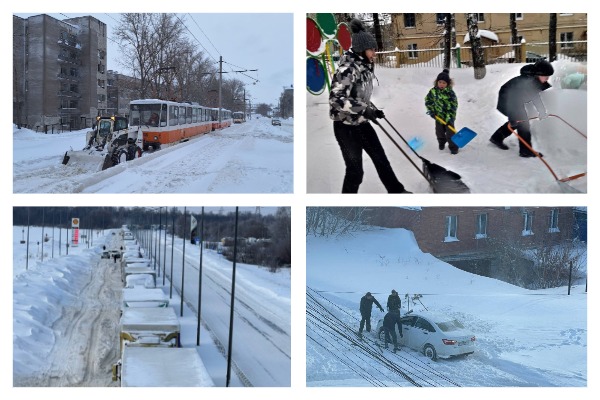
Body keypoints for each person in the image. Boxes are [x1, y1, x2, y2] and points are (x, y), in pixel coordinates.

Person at [329, 18, 410, 194]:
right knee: (355, 172)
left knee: (381, 160)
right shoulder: (348, 69)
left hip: (361, 123)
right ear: (361, 49)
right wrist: (363, 109)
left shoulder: (364, 67)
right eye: (372, 49)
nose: (375, 52)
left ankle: (397, 192)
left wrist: (371, 109)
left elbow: (358, 95)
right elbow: (336, 99)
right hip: (345, 128)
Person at [489, 60, 554, 157]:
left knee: (517, 122)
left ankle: (497, 138)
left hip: (515, 101)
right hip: (508, 101)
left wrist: (541, 111)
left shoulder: (533, 81)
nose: (547, 79)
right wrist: (512, 117)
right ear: (537, 74)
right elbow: (513, 102)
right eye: (546, 76)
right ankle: (526, 151)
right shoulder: (525, 84)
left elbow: (535, 97)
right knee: (523, 124)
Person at [425, 69, 459, 155]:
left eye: (444, 83)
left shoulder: (450, 93)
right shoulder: (433, 91)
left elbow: (454, 105)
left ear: (447, 84)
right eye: (440, 82)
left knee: (450, 133)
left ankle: (453, 147)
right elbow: (428, 101)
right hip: (438, 116)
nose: (441, 84)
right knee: (439, 131)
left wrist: (450, 117)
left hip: (449, 116)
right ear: (437, 82)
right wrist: (431, 111)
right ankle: (441, 142)